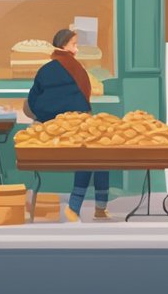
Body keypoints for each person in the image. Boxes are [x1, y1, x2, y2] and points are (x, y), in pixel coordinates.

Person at [27, 28, 107, 222]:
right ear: (64, 46)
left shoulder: (45, 69)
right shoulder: (77, 69)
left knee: (92, 155)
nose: (77, 49)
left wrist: (45, 119)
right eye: (74, 44)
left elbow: (32, 102)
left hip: (48, 132)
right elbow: (82, 103)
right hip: (73, 132)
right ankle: (86, 207)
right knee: (100, 157)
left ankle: (82, 209)